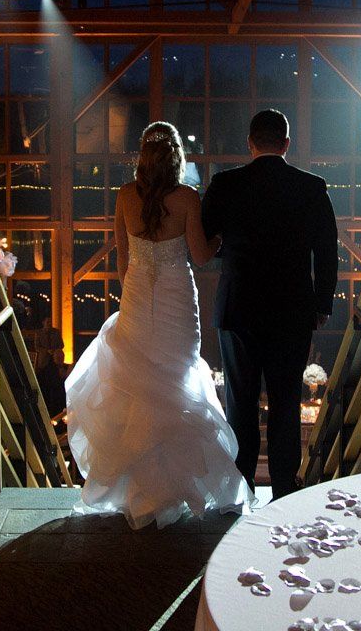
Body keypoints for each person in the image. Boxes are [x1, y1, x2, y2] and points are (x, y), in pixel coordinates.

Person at [65, 122, 251, 529]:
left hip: (136, 294)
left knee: (136, 386)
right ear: (176, 158)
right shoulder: (186, 197)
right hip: (176, 298)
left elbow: (121, 258)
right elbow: (201, 257)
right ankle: (171, 489)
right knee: (176, 379)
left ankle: (139, 491)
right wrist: (219, 240)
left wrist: (133, 289)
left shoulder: (125, 196)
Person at [201, 109, 339, 500]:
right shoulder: (311, 188)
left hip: (238, 310)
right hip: (292, 313)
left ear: (250, 142)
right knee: (285, 404)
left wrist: (230, 250)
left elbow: (205, 241)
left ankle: (240, 491)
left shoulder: (226, 185)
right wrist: (322, 305)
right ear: (286, 144)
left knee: (240, 404)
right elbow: (327, 252)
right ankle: (282, 493)